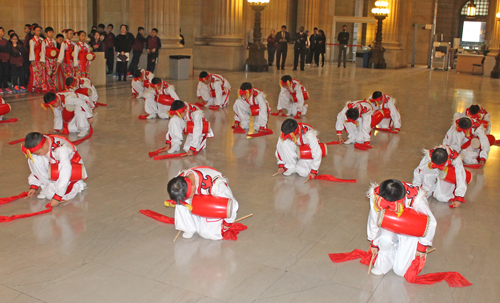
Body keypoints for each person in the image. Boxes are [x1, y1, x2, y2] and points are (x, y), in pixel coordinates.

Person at [367, 179, 437, 276]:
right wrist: (374, 242)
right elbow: (374, 217)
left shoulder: (416, 198)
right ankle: (385, 263)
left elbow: (430, 223)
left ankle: (403, 251)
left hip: (411, 230)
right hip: (390, 225)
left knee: (400, 271)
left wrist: (422, 246)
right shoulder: (377, 195)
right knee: (384, 239)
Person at [166, 166, 238, 240]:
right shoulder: (179, 181)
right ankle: (189, 228)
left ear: (193, 187)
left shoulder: (217, 186)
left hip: (212, 202)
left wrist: (227, 223)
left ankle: (208, 223)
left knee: (206, 233)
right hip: (198, 197)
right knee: (180, 202)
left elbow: (232, 205)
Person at [22, 132, 88, 207]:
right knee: (34, 158)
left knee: (51, 195)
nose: (38, 154)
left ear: (45, 145)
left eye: (38, 152)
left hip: (71, 171)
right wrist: (34, 184)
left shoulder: (61, 150)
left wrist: (58, 196)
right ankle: (46, 185)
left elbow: (65, 171)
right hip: (54, 167)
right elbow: (37, 165)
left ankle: (76, 185)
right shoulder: (45, 142)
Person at [41, 27, 58, 92]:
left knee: (53, 73)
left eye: (52, 32)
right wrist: (43, 61)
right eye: (49, 32)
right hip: (47, 59)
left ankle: (53, 86)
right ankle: (47, 86)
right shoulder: (44, 41)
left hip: (53, 60)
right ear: (46, 33)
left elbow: (56, 50)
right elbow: (43, 51)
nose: (51, 34)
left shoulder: (54, 41)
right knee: (48, 73)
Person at [29, 26, 45, 93]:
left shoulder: (42, 39)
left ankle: (41, 85)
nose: (39, 32)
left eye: (40, 30)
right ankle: (36, 86)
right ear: (33, 31)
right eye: (37, 30)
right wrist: (32, 60)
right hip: (36, 58)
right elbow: (31, 50)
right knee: (36, 73)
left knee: (41, 72)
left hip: (41, 58)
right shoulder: (32, 40)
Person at [0, 27, 11, 94]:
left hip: (5, 60)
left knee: (5, 73)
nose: (1, 33)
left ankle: (5, 86)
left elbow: (9, 48)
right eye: (0, 31)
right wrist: (3, 48)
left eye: (2, 31)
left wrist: (3, 48)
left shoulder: (5, 41)